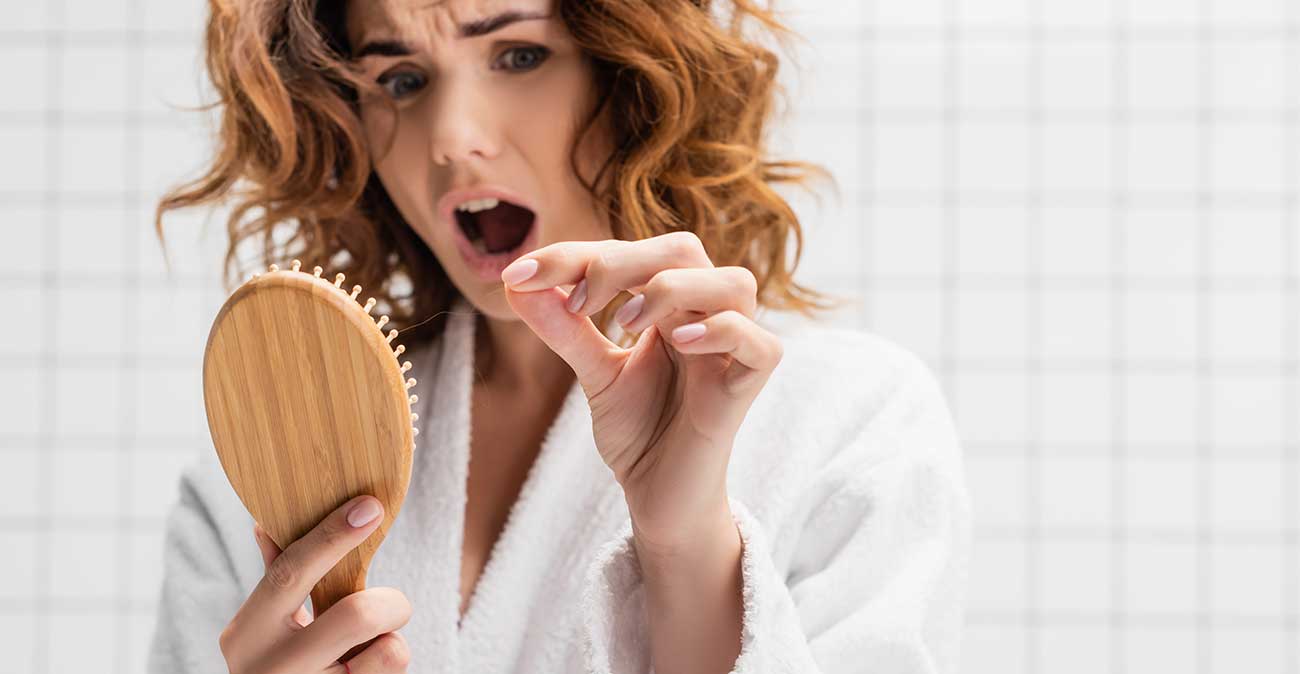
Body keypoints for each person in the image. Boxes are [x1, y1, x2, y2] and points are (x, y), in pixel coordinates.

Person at [147, 1, 971, 672]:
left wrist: (684, 540)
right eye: (400, 78)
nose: (451, 137)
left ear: (629, 75)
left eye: (517, 55)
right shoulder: (272, 456)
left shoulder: (852, 421)